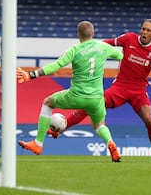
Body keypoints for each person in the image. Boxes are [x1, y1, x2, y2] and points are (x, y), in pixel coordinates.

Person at [47, 18, 151, 162]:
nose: (144, 32)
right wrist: (90, 49)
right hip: (120, 87)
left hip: (139, 91)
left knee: (150, 121)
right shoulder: (129, 38)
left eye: (148, 30)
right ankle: (60, 130)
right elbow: (106, 43)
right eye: (143, 28)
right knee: (91, 105)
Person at [17, 20, 123, 162]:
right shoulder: (103, 47)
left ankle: (38, 144)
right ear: (93, 33)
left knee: (47, 103)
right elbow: (121, 56)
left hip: (76, 96)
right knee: (99, 125)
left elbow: (56, 65)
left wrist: (31, 75)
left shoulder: (74, 50)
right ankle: (110, 143)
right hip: (97, 99)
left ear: (78, 34)